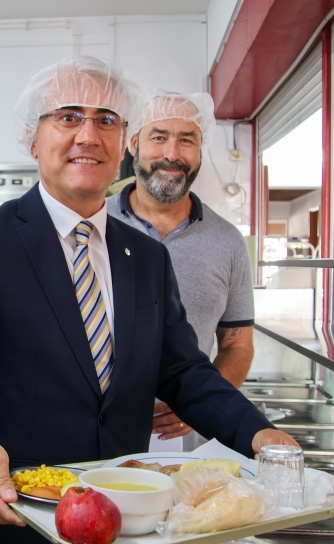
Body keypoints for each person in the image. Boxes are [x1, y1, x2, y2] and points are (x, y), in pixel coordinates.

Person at [0, 56, 299, 544]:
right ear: (34, 138)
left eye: (107, 120)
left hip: (123, 518)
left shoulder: (145, 256)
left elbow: (183, 371)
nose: (88, 135)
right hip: (14, 516)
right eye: (69, 116)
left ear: (123, 142)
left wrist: (258, 434)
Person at [107, 91, 255, 452]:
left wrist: (201, 405)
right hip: (96, 437)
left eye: (187, 140)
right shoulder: (94, 224)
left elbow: (238, 344)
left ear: (200, 151)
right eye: (158, 137)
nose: (172, 154)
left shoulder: (227, 241)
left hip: (188, 446)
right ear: (133, 144)